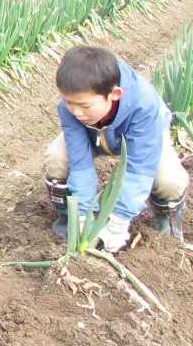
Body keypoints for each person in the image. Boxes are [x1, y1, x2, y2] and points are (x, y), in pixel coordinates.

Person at [44, 45, 188, 250]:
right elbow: (79, 161)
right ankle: (69, 219)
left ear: (115, 94)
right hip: (94, 134)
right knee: (57, 157)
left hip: (141, 138)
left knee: (169, 180)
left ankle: (166, 232)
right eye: (69, 103)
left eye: (85, 106)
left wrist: (119, 220)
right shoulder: (73, 107)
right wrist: (83, 214)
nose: (76, 112)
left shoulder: (143, 104)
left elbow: (140, 166)